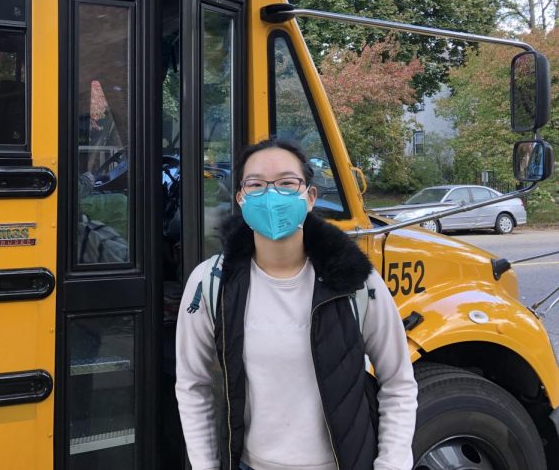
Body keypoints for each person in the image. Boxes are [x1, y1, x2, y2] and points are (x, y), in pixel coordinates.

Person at [175, 137, 417, 470]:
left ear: (310, 197)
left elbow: (398, 382)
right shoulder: (211, 282)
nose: (272, 196)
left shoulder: (357, 283)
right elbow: (193, 386)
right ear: (241, 199)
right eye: (256, 185)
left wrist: (391, 465)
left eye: (287, 184)